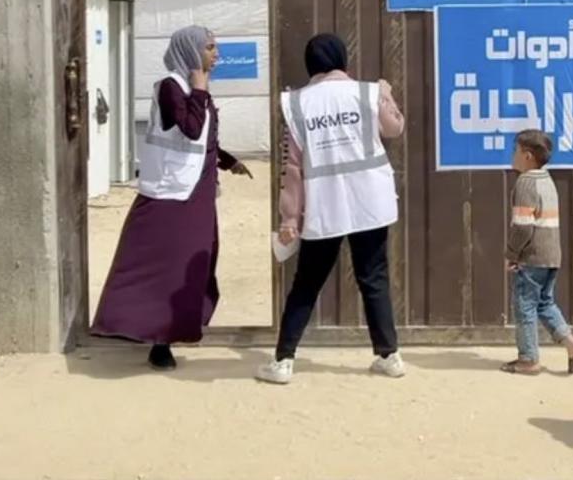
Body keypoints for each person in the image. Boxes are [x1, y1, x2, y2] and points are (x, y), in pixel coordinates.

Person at [91, 26, 252, 370]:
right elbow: (190, 127)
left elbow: (201, 138)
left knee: (199, 261)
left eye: (215, 48)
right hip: (172, 193)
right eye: (209, 48)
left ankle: (180, 326)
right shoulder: (171, 87)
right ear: (190, 51)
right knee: (167, 266)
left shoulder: (191, 88)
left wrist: (228, 161)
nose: (216, 54)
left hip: (197, 189)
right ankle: (157, 340)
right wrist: (200, 89)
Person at [256, 33, 406, 384]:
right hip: (370, 200)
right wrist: (384, 92)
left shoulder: (297, 104)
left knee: (307, 283)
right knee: (374, 278)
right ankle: (389, 355)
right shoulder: (367, 92)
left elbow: (292, 167)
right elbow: (395, 128)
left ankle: (283, 361)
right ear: (342, 59)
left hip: (325, 203)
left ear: (311, 64)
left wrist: (290, 217)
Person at [500, 129, 573, 376]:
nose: (513, 155)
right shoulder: (547, 180)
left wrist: (512, 254)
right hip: (551, 255)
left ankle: (528, 360)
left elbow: (522, 226)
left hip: (533, 256)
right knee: (544, 303)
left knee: (524, 306)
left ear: (527, 155)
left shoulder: (526, 183)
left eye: (516, 151)